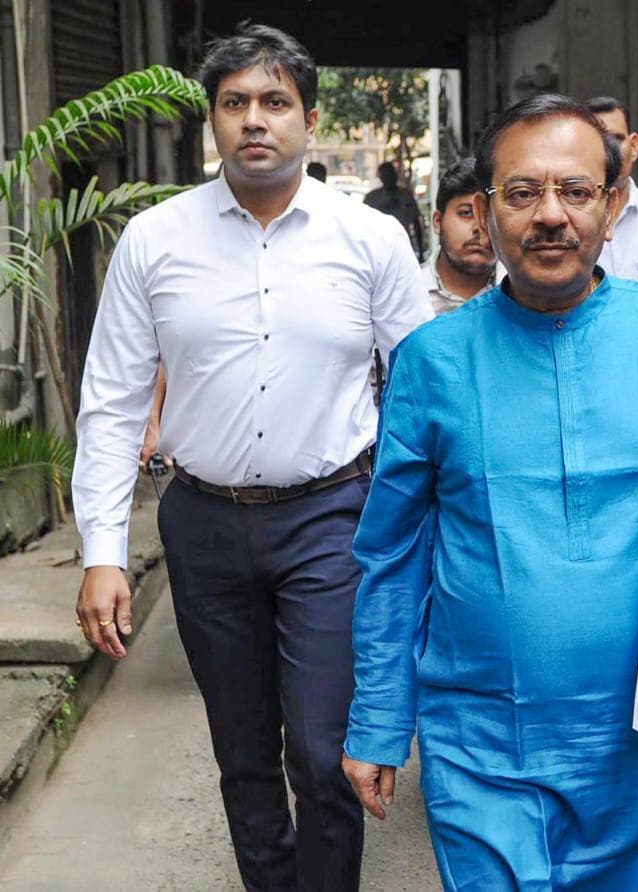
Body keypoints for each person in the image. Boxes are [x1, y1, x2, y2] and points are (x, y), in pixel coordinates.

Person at [341, 94, 638, 889]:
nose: (550, 215)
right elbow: (394, 553)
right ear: (483, 211)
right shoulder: (433, 360)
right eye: (522, 193)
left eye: (576, 191)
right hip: (482, 741)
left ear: (613, 205)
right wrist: (379, 718)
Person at [70, 24, 432, 891]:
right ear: (213, 121)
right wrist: (102, 553)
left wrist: (424, 527)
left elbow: (422, 389)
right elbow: (113, 404)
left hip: (332, 520)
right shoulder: (154, 241)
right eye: (236, 104)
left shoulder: (368, 239)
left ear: (309, 117)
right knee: (242, 753)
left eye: (275, 102)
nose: (255, 121)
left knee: (321, 751)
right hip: (203, 522)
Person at [585, 95, 638, 287]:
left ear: (634, 146)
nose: (610, 151)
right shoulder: (564, 220)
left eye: (616, 139)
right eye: (598, 140)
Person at [422, 157, 498, 314]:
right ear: (438, 222)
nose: (479, 227)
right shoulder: (408, 291)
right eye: (466, 213)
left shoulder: (526, 295)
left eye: (489, 216)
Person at [365, 160, 426, 260]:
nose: (389, 178)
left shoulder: (406, 196)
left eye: (391, 174)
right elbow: (364, 227)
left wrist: (420, 252)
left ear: (395, 174)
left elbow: (415, 223)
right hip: (378, 250)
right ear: (381, 177)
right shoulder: (372, 199)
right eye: (385, 175)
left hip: (402, 248)